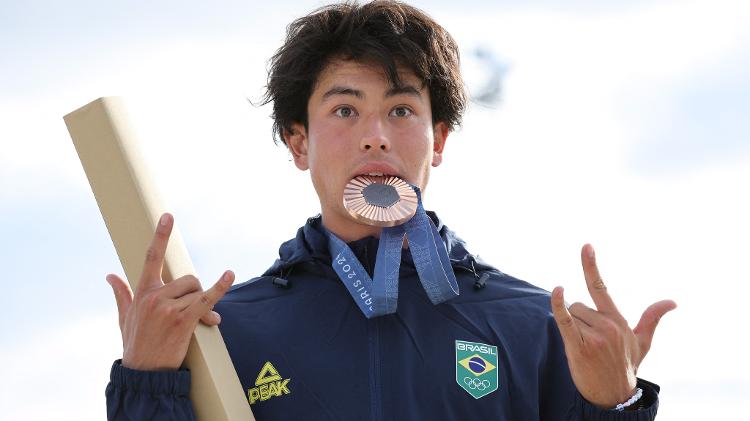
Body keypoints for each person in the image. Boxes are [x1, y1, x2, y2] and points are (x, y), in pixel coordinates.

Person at [104, 1, 677, 420]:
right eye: (345, 110)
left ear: (440, 140)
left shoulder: (536, 329)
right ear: (298, 143)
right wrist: (146, 383)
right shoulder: (221, 332)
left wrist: (617, 405)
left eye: (401, 111)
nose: (375, 137)